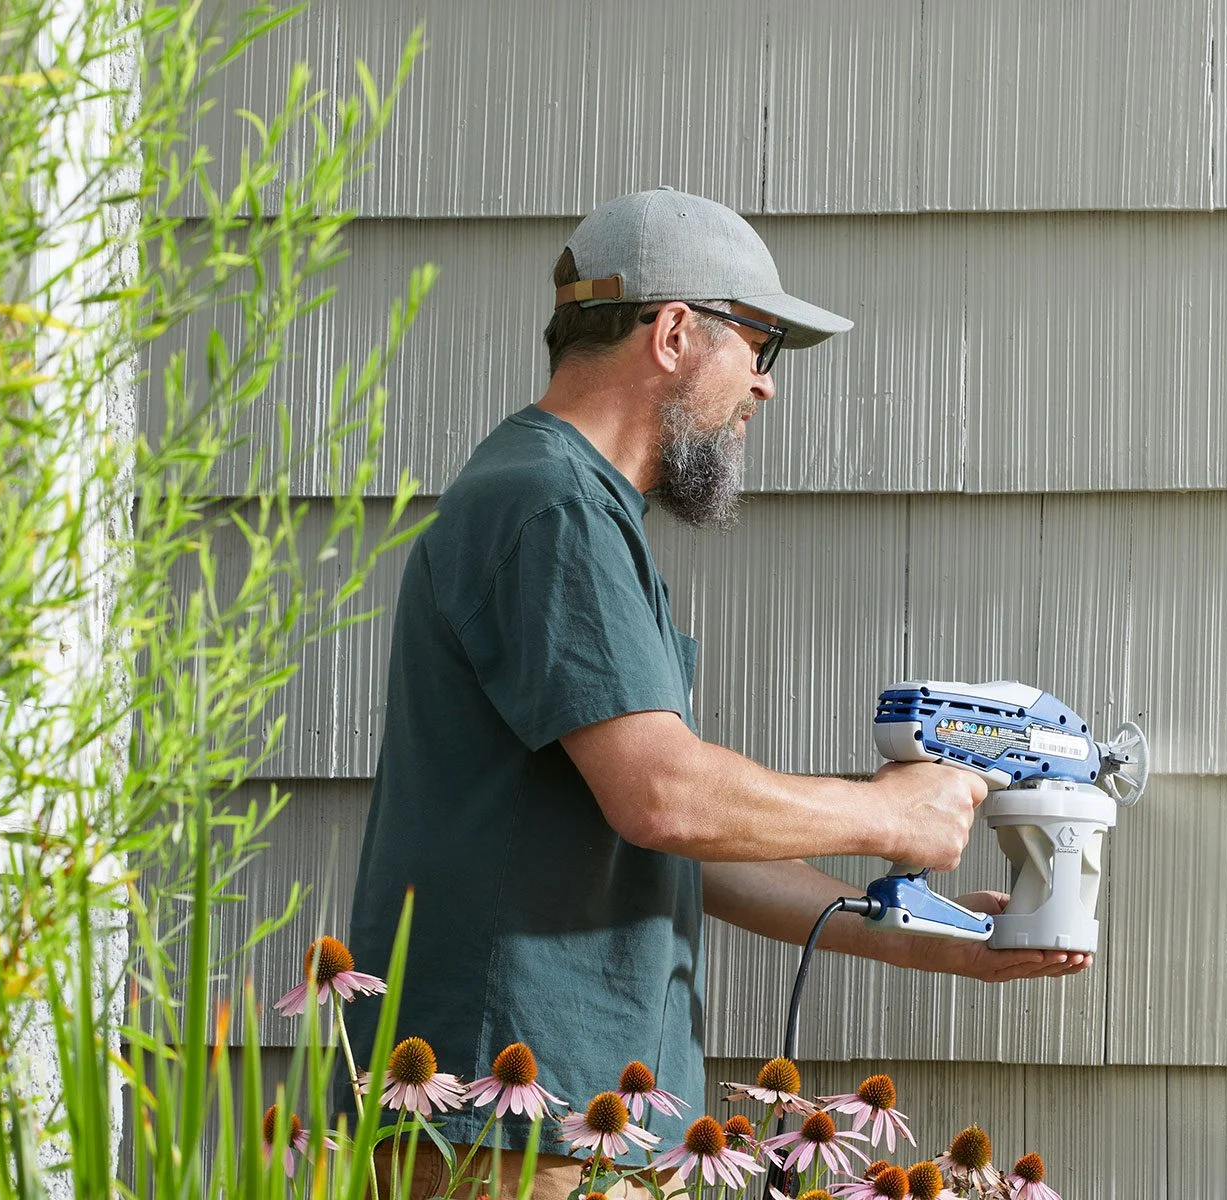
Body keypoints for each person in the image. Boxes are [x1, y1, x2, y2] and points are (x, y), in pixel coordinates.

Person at [343, 187, 1091, 1198]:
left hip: (577, 1120)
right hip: (512, 1123)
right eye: (761, 347)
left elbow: (678, 844)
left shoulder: (569, 505)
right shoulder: (551, 507)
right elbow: (665, 796)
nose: (765, 388)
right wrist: (884, 812)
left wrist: (953, 942)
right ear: (676, 333)